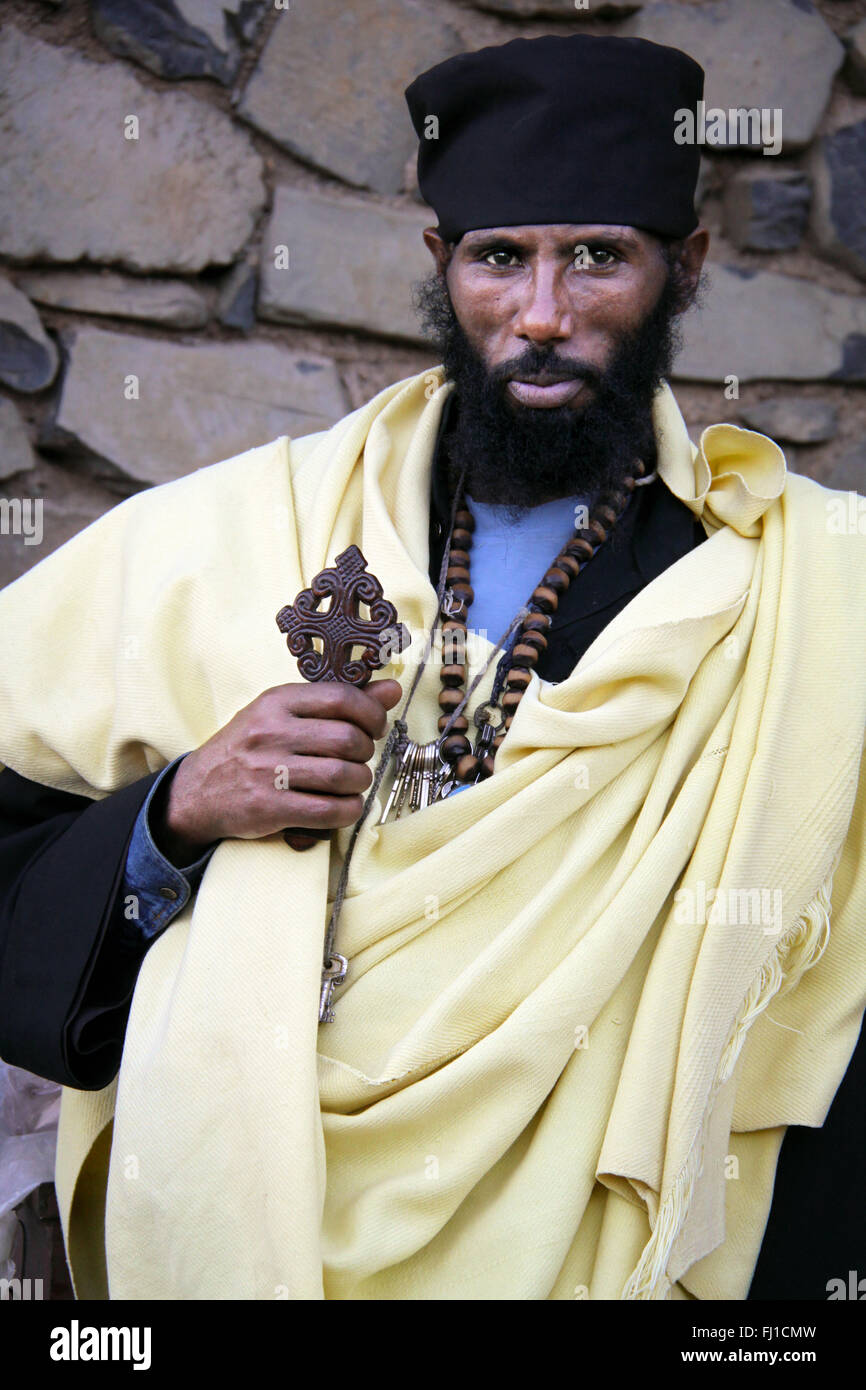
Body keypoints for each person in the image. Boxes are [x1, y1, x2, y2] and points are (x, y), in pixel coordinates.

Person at [0, 32, 864, 1302]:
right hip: (252, 1199)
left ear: (680, 268)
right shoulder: (244, 530)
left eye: (597, 258)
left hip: (593, 1245)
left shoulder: (803, 583)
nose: (541, 316)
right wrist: (177, 811)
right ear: (438, 263)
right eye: (498, 258)